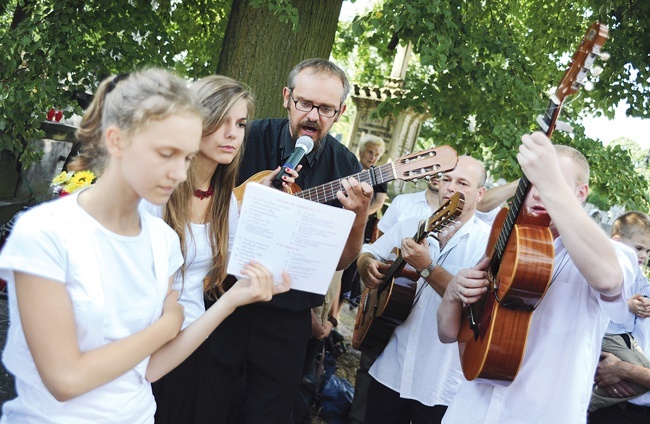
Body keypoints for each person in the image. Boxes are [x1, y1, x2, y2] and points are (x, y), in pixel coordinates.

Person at [0, 70, 290, 423]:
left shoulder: (162, 239)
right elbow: (65, 380)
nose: (181, 175)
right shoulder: (44, 233)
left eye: (185, 158)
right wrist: (168, 324)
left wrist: (232, 299)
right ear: (117, 141)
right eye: (166, 153)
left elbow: (149, 369)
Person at [205, 58, 373, 424]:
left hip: (288, 318)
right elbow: (202, 201)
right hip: (223, 300)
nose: (313, 116)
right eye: (305, 103)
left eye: (326, 108)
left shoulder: (345, 167)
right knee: (208, 404)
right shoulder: (246, 139)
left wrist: (359, 216)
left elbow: (342, 262)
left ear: (341, 111)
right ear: (286, 97)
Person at [437, 132, 638, 424]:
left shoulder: (614, 251)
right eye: (532, 183)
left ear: (580, 194)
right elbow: (448, 334)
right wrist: (453, 294)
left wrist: (550, 183)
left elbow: (608, 279)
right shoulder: (505, 240)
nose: (539, 193)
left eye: (551, 182)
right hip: (470, 410)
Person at [138, 75, 293, 423]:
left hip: (198, 342)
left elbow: (237, 267)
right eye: (221, 120)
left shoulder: (227, 201)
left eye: (240, 124)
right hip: (145, 348)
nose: (232, 134)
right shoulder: (157, 192)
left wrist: (267, 274)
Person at [356, 155, 490, 424]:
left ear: (480, 194)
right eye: (447, 180)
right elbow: (368, 251)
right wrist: (367, 265)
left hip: (440, 386)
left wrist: (426, 267)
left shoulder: (488, 244)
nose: (451, 188)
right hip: (390, 369)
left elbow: (470, 303)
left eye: (462, 182)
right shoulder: (411, 225)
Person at [589, 211, 650, 414]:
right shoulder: (609, 269)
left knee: (642, 376)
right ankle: (587, 403)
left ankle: (589, 401)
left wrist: (646, 304)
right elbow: (598, 300)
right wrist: (628, 305)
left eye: (648, 251)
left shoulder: (640, 276)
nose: (643, 256)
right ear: (617, 242)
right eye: (639, 248)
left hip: (624, 340)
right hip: (612, 336)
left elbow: (646, 294)